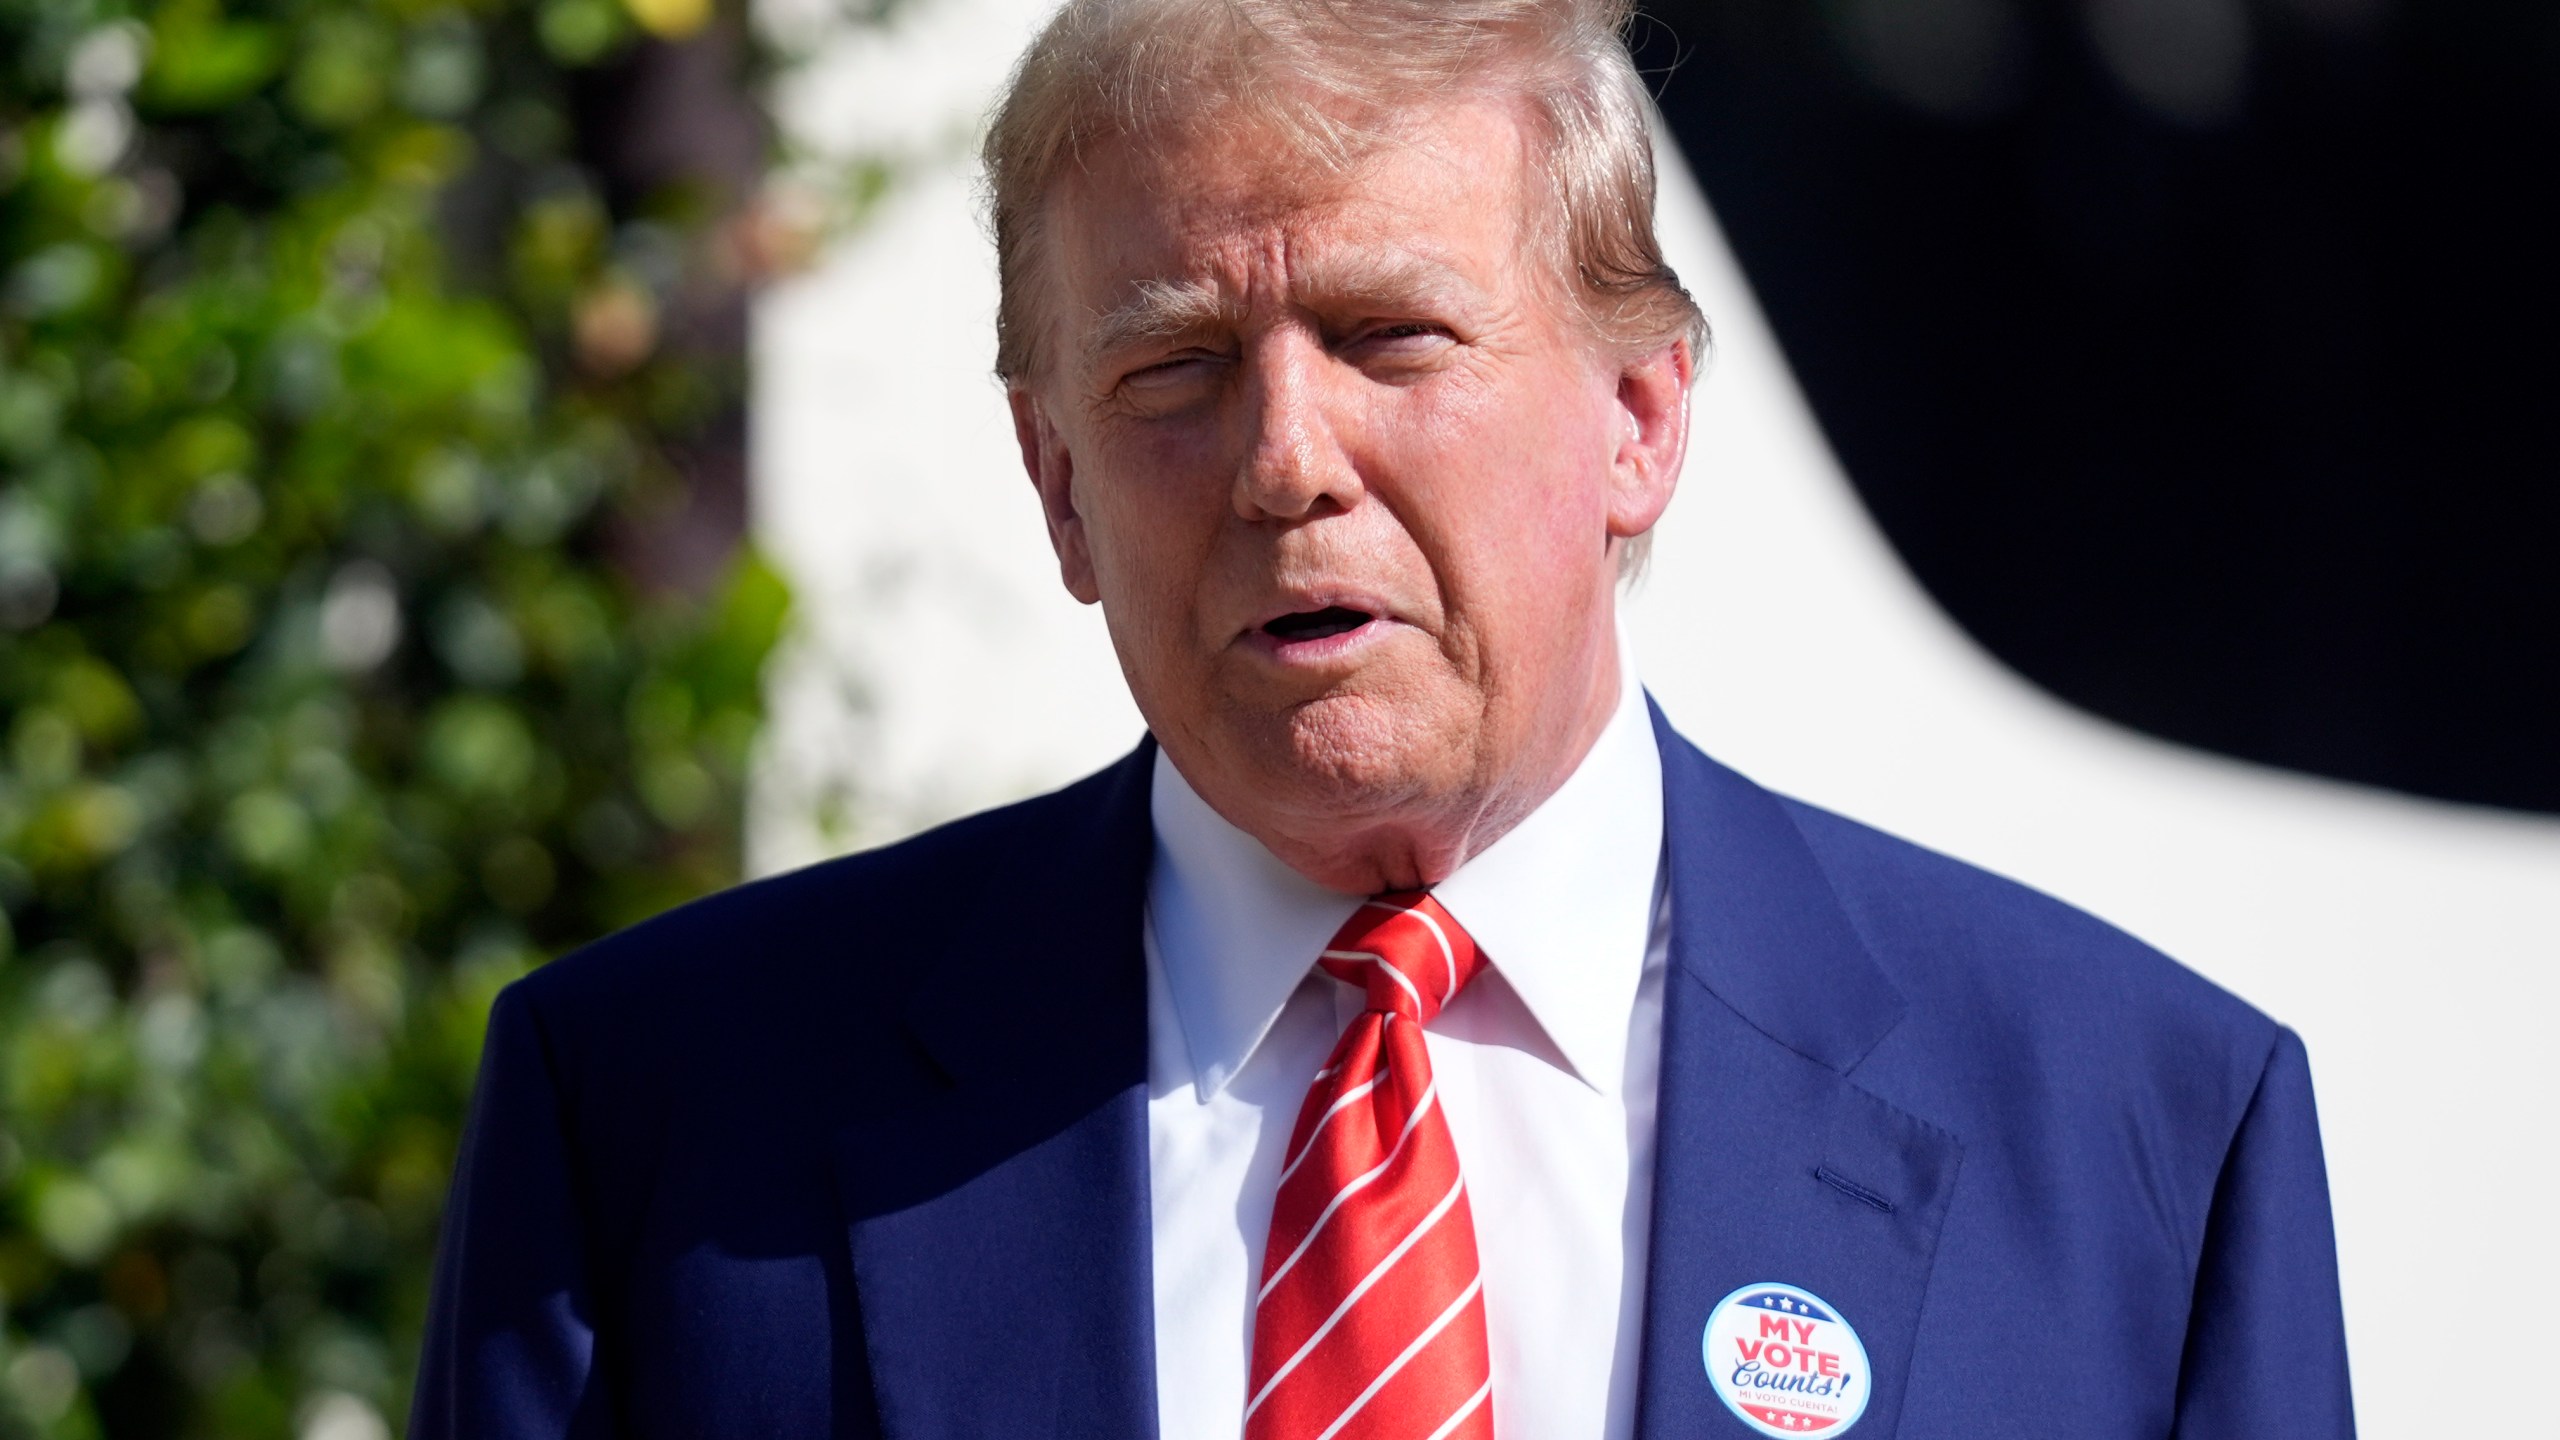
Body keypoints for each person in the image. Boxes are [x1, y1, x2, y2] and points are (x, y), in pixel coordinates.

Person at [410, 1, 2355, 1436]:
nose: (1282, 460)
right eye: (1171, 367)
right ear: (1058, 485)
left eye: (1385, 337)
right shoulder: (661, 1118)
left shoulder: (2133, 1137)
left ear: (1639, 419)